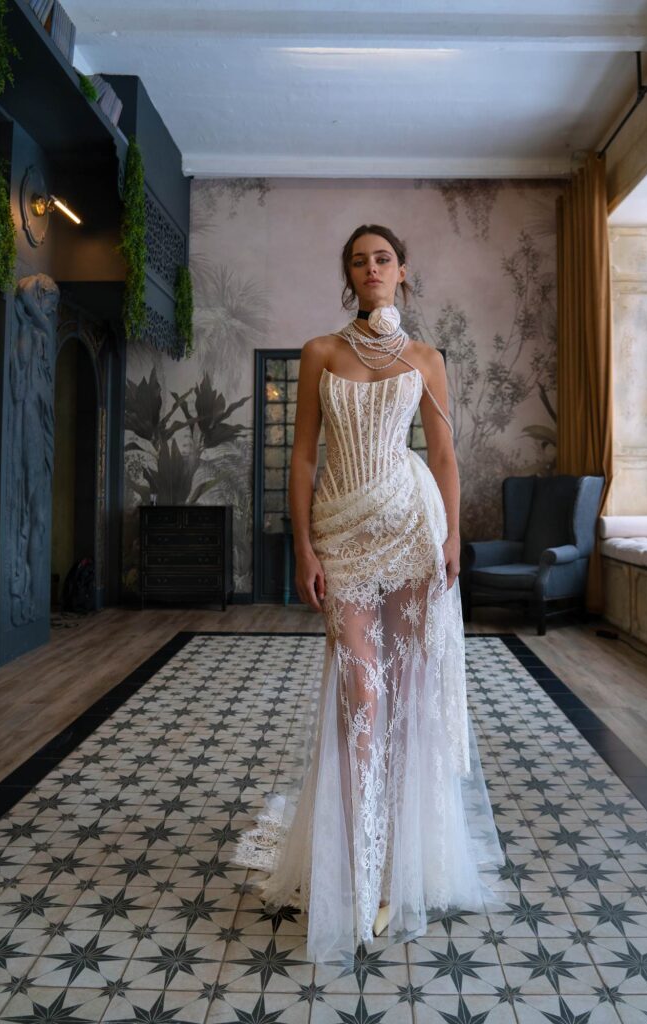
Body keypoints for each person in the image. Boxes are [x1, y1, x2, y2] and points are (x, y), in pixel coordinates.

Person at [234, 224, 505, 962]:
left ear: (403, 272)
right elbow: (301, 456)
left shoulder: (425, 358)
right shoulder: (321, 352)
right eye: (359, 261)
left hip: (414, 533)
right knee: (363, 698)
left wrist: (451, 538)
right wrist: (303, 544)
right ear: (348, 277)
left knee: (408, 698)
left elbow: (444, 453)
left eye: (382, 258)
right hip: (344, 536)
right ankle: (356, 862)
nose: (371, 268)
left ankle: (399, 867)